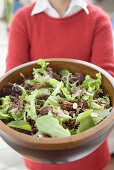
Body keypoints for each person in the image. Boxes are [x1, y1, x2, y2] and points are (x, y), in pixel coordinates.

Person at [6, 0, 114, 170]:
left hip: (90, 153)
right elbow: (13, 82)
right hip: (40, 155)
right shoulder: (23, 19)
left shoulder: (97, 19)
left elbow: (106, 79)